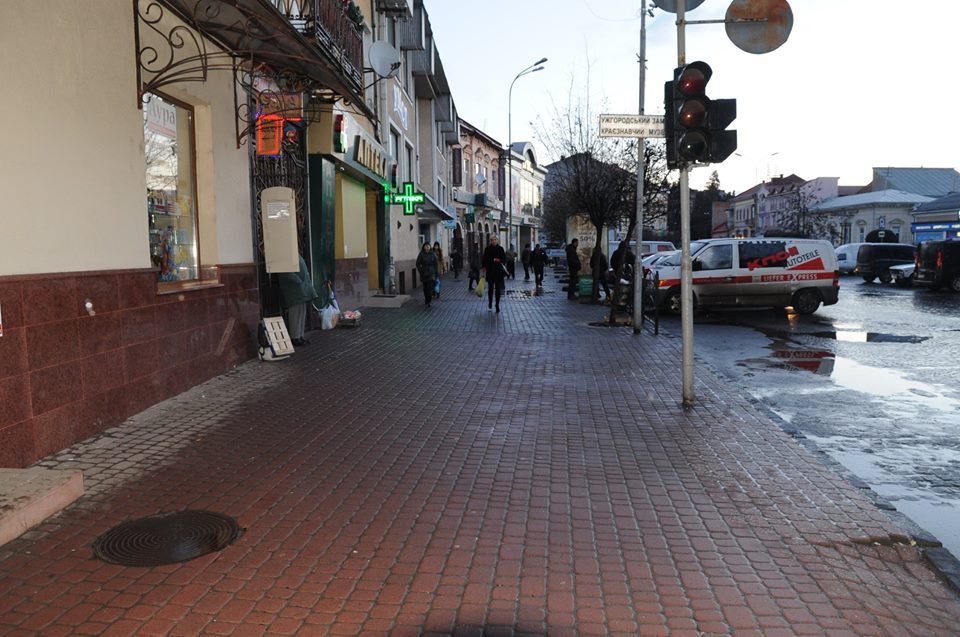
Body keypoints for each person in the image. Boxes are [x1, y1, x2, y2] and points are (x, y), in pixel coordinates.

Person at [278, 254, 318, 346]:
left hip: (301, 290)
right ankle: (295, 337)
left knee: (301, 314)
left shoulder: (294, 255)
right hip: (295, 290)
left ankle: (299, 335)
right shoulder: (287, 256)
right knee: (295, 315)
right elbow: (286, 273)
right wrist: (299, 282)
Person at [482, 235, 507, 313]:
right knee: (490, 289)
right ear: (490, 241)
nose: (493, 241)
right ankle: (490, 302)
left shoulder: (500, 249)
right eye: (492, 240)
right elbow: (484, 260)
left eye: (495, 240)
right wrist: (484, 271)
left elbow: (504, 259)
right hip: (490, 271)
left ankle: (497, 304)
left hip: (498, 271)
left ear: (497, 240)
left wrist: (498, 260)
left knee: (498, 289)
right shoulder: (487, 249)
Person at [416, 242, 438, 307]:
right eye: (426, 246)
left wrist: (436, 272)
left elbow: (436, 263)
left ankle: (429, 300)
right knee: (425, 288)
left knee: (430, 288)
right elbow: (417, 263)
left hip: (431, 273)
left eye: (428, 246)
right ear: (424, 247)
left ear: (430, 247)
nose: (427, 247)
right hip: (424, 273)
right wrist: (420, 270)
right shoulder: (421, 254)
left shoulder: (433, 254)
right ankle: (426, 298)